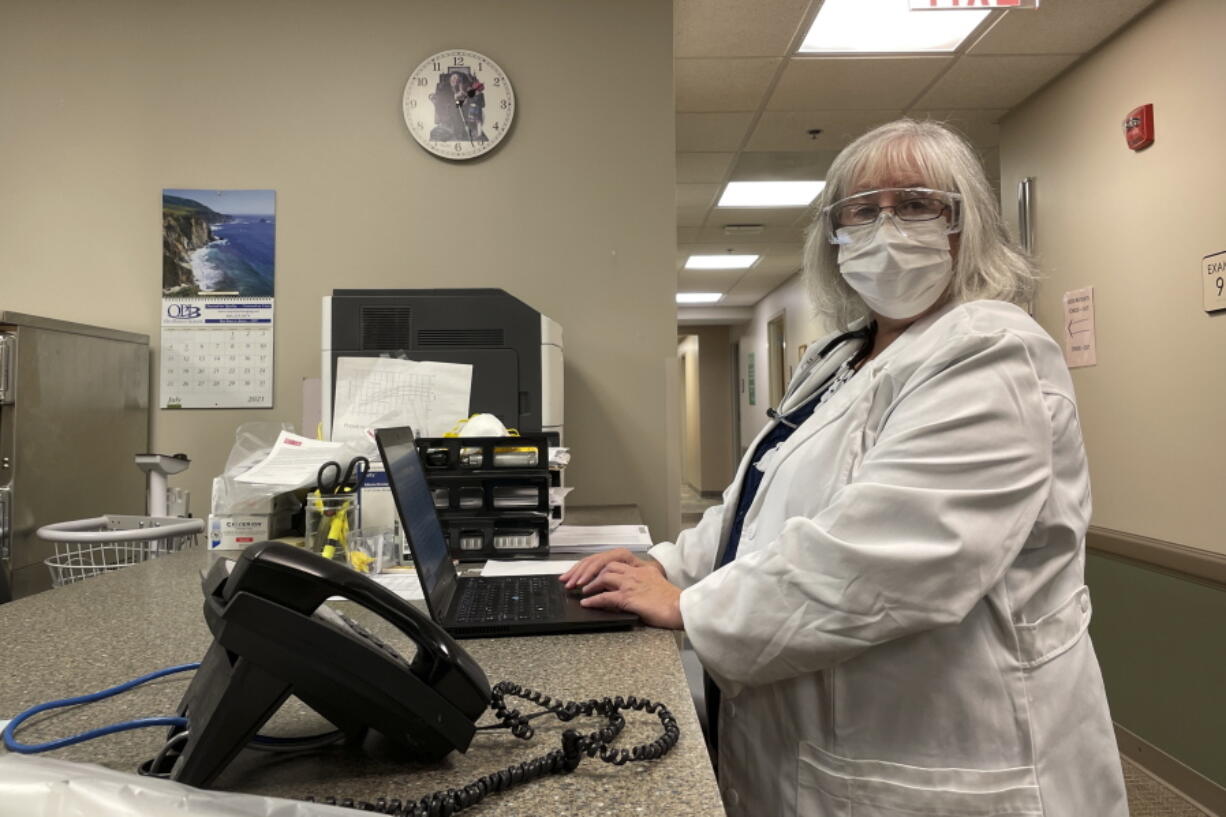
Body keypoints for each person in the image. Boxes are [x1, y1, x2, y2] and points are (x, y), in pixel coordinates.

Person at [560, 119, 1129, 816]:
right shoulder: (841, 356)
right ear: (834, 235)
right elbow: (757, 503)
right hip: (821, 738)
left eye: (917, 204)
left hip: (949, 752)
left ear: (965, 224)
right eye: (861, 210)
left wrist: (690, 605)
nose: (887, 227)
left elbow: (894, 551)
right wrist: (666, 564)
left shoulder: (992, 351)